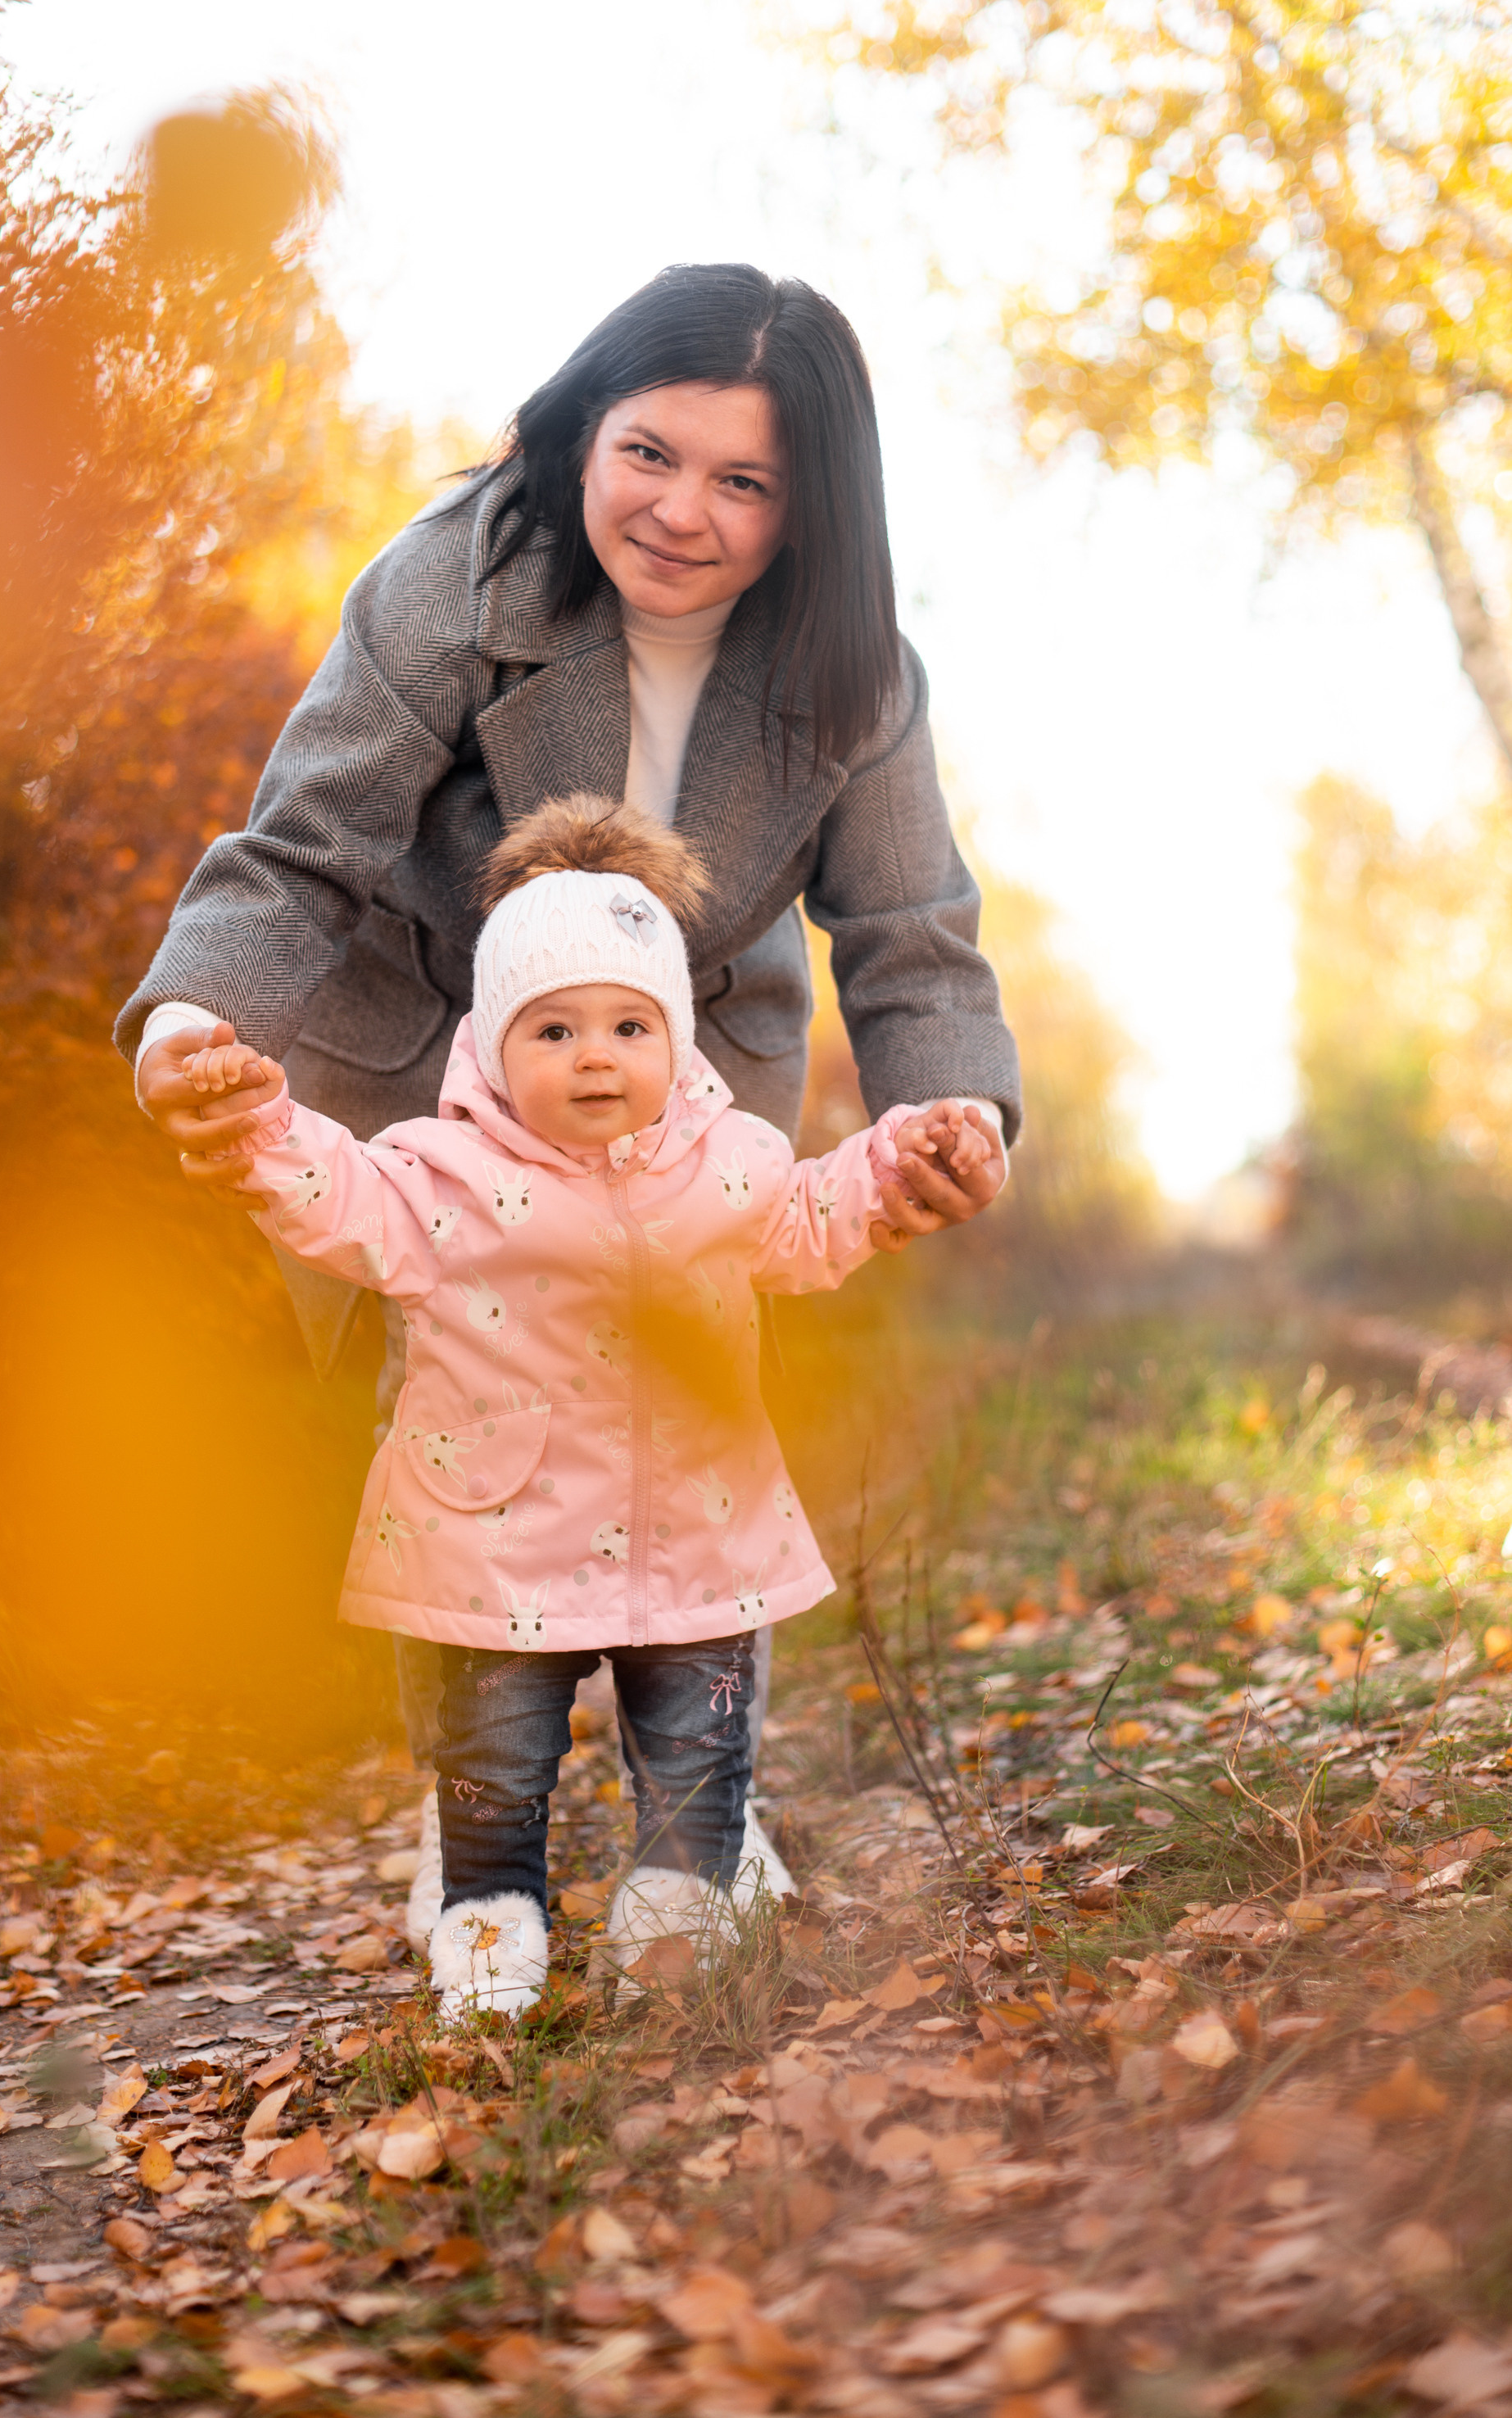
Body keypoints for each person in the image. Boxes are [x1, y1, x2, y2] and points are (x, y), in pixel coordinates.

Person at [116, 261, 1022, 1912]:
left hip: (687, 1064)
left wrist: (958, 1114)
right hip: (439, 1040)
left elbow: (904, 933)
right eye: (648, 453)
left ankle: (705, 1798)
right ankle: (478, 1827)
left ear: (810, 508)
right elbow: (300, 852)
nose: (683, 512)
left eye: (745, 481)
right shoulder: (449, 584)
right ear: (577, 432)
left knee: (693, 1412)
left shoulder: (856, 674)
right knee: (477, 1415)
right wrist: (189, 1019)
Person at [178, 798, 1003, 2019]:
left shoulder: (729, 1166)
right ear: (489, 1049)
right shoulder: (439, 1176)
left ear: (676, 1038)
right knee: (494, 1761)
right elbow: (332, 1189)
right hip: (493, 1543)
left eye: (629, 1025)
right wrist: (250, 1121)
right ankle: (488, 1924)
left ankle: (677, 1916)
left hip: (699, 1530)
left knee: (697, 1753)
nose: (596, 1056)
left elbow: (819, 1214)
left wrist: (905, 1156)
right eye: (552, 1030)